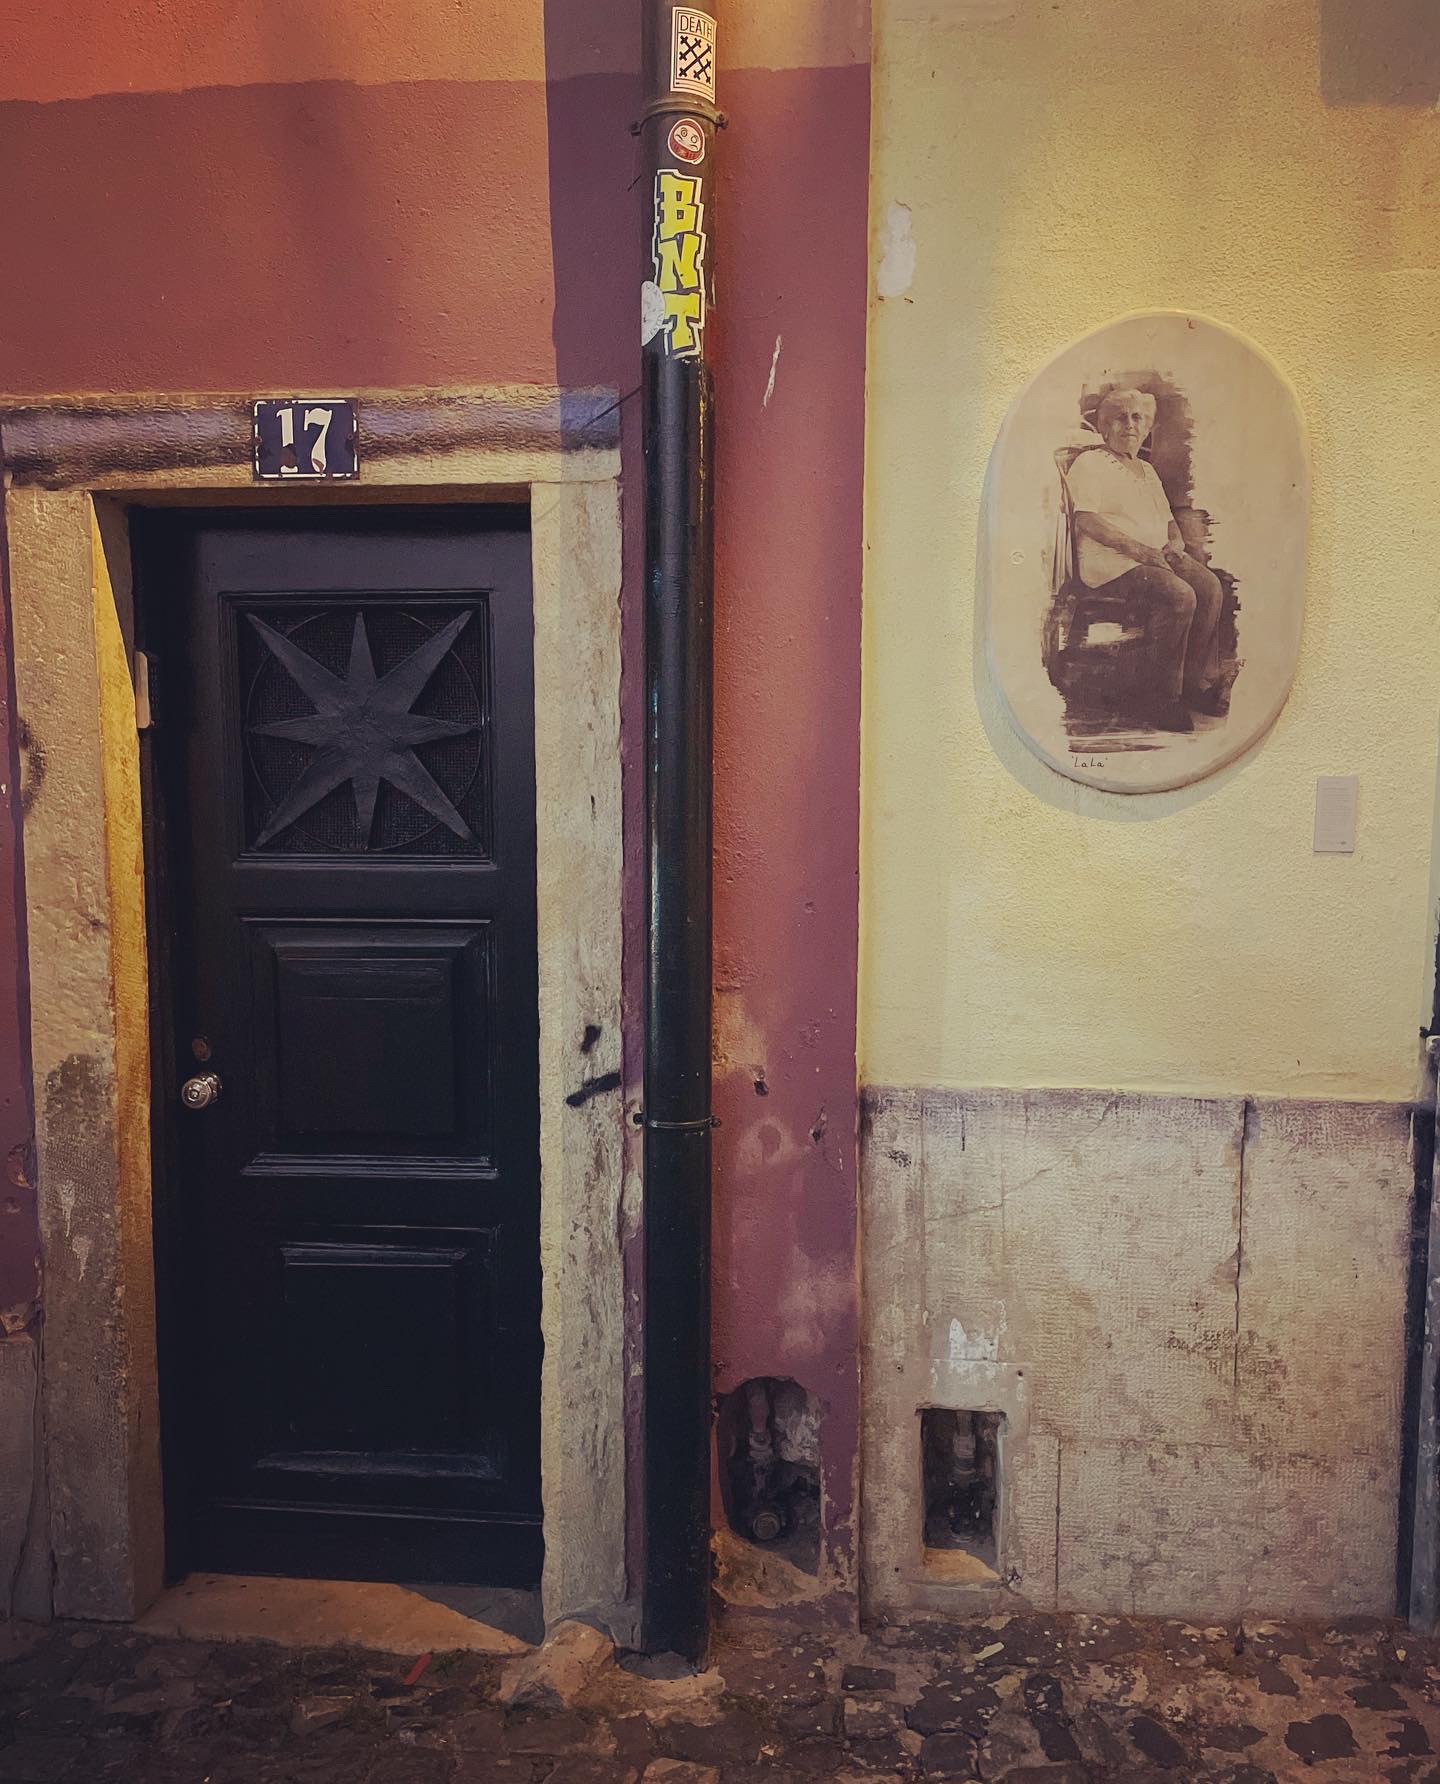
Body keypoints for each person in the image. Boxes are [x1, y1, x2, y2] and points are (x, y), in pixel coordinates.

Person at [1066, 386, 1224, 732]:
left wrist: (1175, 545)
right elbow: (1086, 520)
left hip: (1154, 556)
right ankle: (1159, 700)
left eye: (1137, 417)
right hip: (1112, 563)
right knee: (1179, 595)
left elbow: (1169, 522)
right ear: (1104, 426)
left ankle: (1190, 686)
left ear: (1147, 425)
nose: (1130, 424)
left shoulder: (1147, 471)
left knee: (1210, 587)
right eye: (1120, 417)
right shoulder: (1090, 463)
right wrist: (1142, 552)